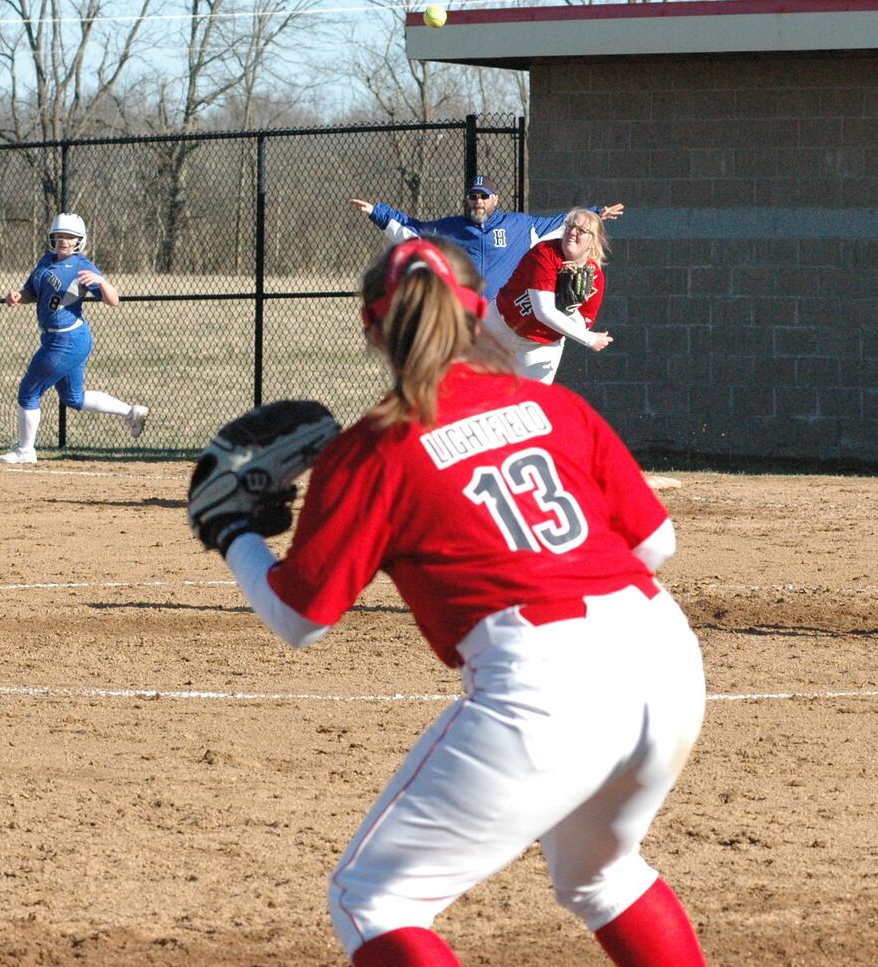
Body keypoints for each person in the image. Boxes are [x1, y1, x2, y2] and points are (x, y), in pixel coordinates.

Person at [216, 237, 708, 966]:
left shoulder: (376, 445)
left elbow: (301, 617)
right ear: (480, 311)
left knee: (375, 899)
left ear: (370, 327)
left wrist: (233, 532)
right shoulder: (550, 404)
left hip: (543, 682)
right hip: (664, 657)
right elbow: (654, 544)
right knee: (599, 873)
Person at [0, 212, 149, 464]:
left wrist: (101, 281)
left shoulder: (82, 266)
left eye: (70, 237)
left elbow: (113, 300)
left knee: (28, 392)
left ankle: (25, 451)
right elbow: (31, 293)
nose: (64, 241)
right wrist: (16, 297)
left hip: (66, 341)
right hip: (65, 339)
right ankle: (130, 412)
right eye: (59, 236)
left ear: (80, 240)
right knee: (73, 398)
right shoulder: (45, 262)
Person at [349, 174, 625, 299]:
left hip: (504, 318)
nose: (478, 201)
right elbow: (410, 230)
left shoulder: (518, 226)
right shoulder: (448, 229)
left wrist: (596, 213)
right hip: (463, 316)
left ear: (496, 200)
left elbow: (562, 223)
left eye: (484, 196)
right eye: (473, 196)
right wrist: (377, 211)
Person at [482, 207, 612, 384]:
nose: (572, 232)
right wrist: (590, 340)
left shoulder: (595, 277)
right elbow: (543, 311)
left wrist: (569, 309)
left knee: (529, 402)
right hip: (498, 327)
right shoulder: (545, 252)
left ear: (593, 242)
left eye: (581, 230)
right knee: (468, 390)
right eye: (569, 226)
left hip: (539, 346)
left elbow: (582, 325)